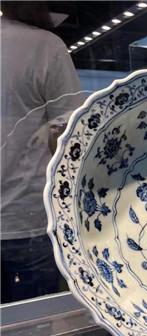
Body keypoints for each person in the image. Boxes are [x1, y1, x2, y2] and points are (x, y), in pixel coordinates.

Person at [1, 2, 83, 303]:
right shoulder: (45, 47)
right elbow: (69, 134)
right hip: (28, 216)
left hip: (27, 219)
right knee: (33, 323)